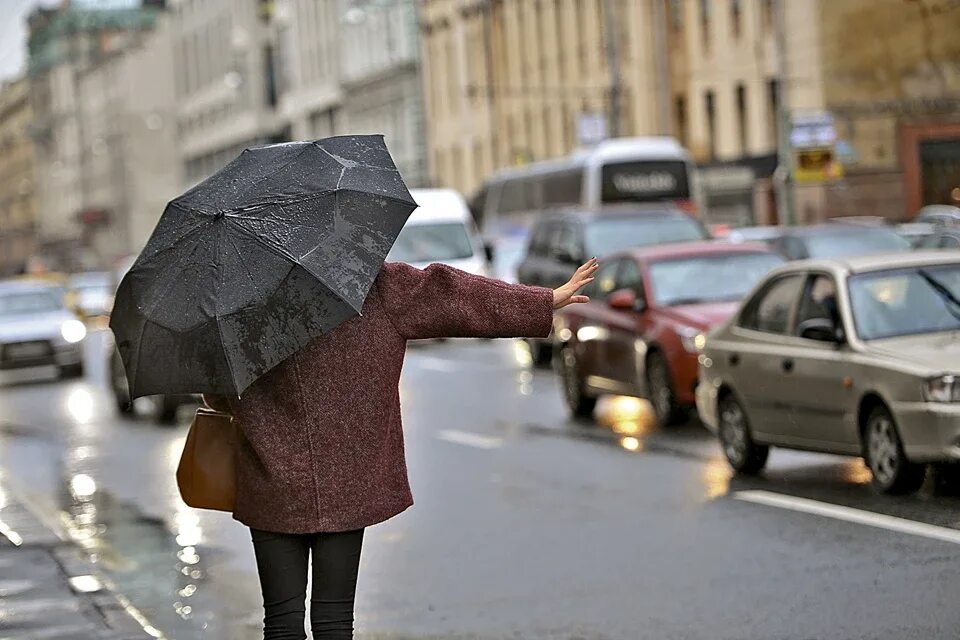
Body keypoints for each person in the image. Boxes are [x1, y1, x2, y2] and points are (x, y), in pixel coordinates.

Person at [208, 257, 598, 640]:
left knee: (281, 621)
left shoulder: (242, 303)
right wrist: (542, 300)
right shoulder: (370, 284)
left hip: (271, 478)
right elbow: (453, 295)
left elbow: (219, 396)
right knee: (334, 619)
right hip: (347, 478)